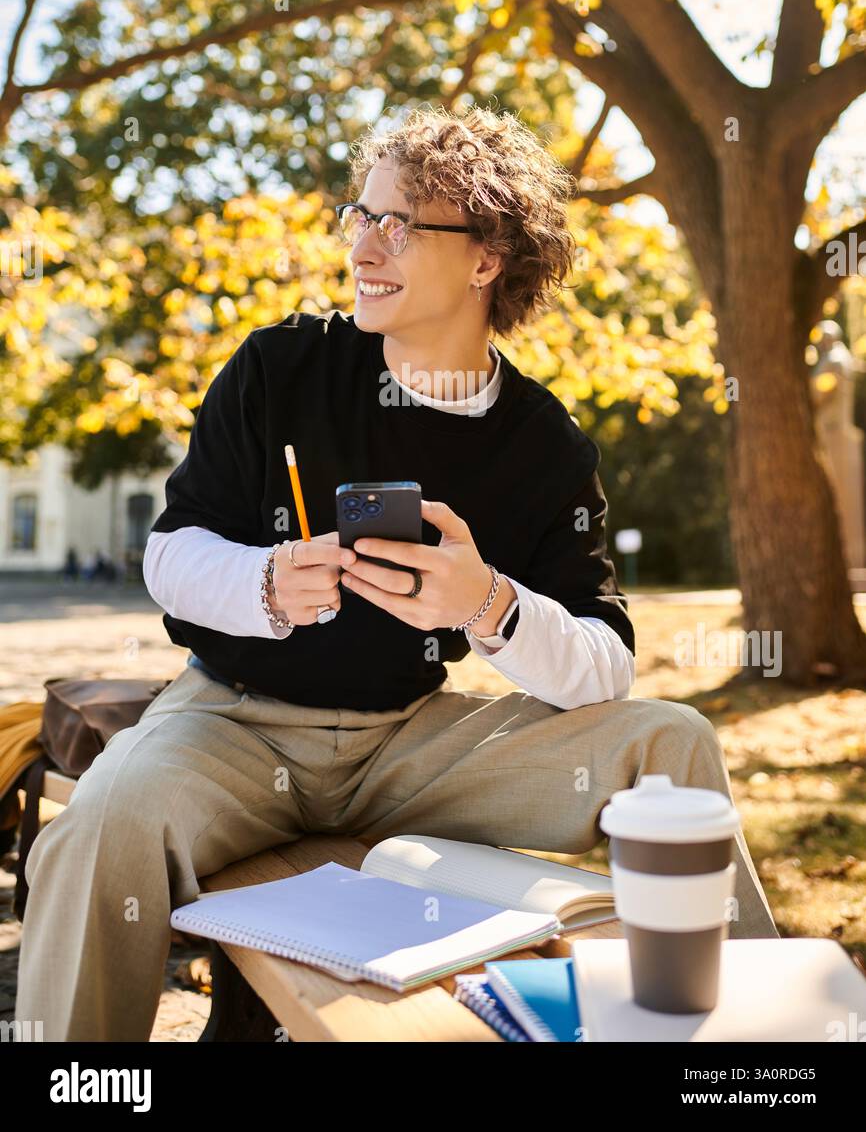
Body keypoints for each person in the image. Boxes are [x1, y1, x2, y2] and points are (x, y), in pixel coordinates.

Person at [15, 106, 779, 1042]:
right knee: (94, 832)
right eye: (361, 217)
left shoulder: (544, 443)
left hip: (414, 748)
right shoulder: (279, 366)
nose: (364, 247)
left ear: (485, 258)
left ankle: (750, 1053)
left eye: (400, 225)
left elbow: (603, 663)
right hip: (232, 731)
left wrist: (488, 604)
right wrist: (266, 583)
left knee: (672, 739)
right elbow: (171, 554)